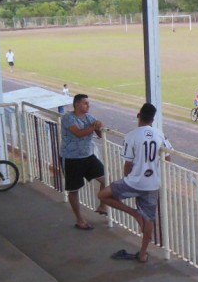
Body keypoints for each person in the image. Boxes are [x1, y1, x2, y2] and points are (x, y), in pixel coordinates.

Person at [98, 102, 171, 263]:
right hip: (152, 184)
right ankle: (143, 253)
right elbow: (168, 158)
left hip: (133, 183)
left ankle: (134, 213)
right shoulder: (159, 134)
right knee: (150, 218)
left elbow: (128, 164)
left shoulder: (131, 135)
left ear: (139, 115)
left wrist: (127, 179)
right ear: (152, 119)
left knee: (103, 195)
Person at [61, 94, 108, 230]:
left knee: (106, 179)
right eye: (85, 103)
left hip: (88, 156)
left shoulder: (90, 118)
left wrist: (100, 126)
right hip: (71, 158)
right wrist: (93, 127)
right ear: (76, 105)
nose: (88, 106)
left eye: (88, 103)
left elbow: (100, 135)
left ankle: (102, 205)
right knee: (74, 190)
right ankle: (80, 220)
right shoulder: (68, 118)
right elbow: (79, 133)